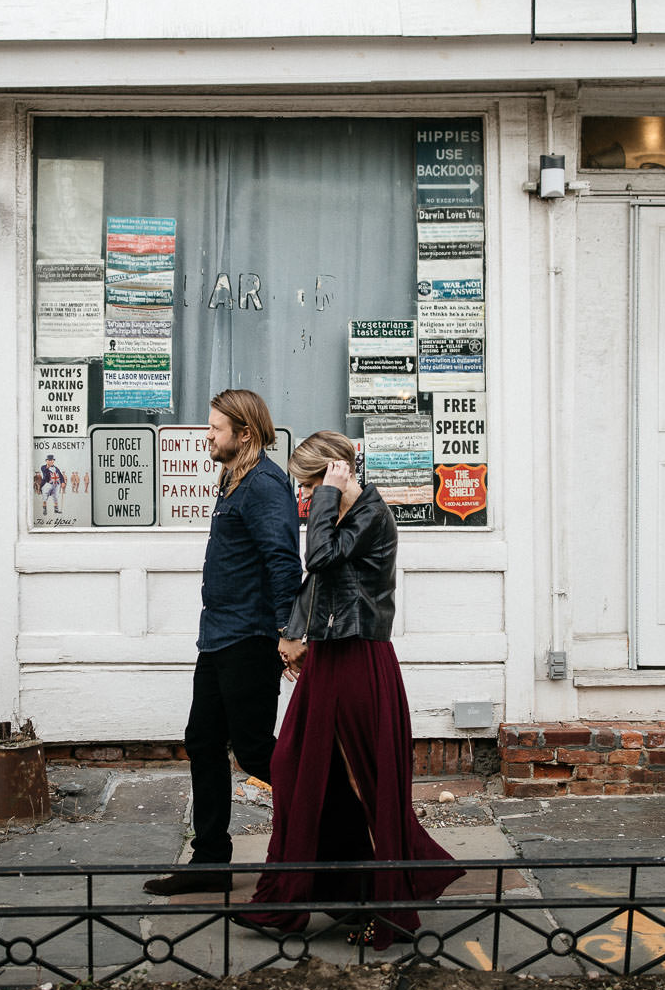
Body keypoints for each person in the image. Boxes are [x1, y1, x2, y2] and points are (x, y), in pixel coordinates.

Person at [242, 431, 462, 948]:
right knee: (297, 768)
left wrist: (326, 496)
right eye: (305, 486)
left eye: (312, 481)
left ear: (337, 472)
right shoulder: (340, 512)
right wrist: (295, 636)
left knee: (366, 780)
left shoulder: (369, 514)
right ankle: (324, 893)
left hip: (359, 659)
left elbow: (317, 557)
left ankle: (388, 909)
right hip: (332, 656)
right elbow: (317, 583)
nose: (306, 494)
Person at [144, 389, 301, 896]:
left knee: (255, 753)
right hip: (218, 635)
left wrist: (288, 633)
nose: (207, 436)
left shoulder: (264, 486)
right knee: (203, 740)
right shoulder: (233, 481)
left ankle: (331, 823)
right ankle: (211, 860)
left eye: (215, 429)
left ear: (245, 434)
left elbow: (283, 561)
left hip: (251, 638)